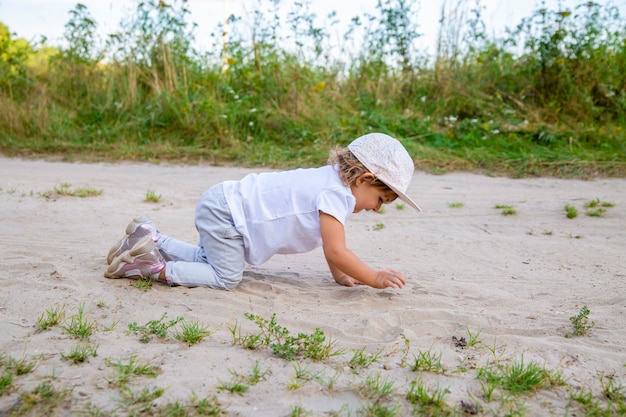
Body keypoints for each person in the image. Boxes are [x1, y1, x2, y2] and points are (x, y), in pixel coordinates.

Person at [104, 132, 421, 290]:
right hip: (228, 216)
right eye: (380, 200)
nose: (377, 210)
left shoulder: (329, 181)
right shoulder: (335, 195)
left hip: (222, 203)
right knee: (226, 277)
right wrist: (374, 277)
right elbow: (337, 250)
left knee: (206, 261)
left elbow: (332, 247)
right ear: (365, 179)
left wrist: (341, 275)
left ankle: (151, 238)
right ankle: (148, 267)